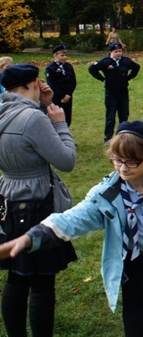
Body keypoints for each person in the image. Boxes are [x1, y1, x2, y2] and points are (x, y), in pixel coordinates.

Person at [0, 121, 143, 337]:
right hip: (133, 270)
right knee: (137, 326)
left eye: (131, 162)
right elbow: (74, 218)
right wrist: (30, 238)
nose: (123, 168)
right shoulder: (107, 194)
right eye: (117, 160)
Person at [0, 63, 77, 337]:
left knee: (17, 276)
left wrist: (45, 105)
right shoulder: (32, 119)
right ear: (34, 83)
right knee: (42, 280)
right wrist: (59, 123)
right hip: (36, 203)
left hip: (7, 199)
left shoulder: (4, 113)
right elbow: (66, 160)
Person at [88, 42, 141, 145]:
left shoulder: (125, 61)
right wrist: (102, 79)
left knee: (124, 114)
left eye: (120, 51)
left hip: (123, 91)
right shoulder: (106, 62)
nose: (118, 53)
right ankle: (108, 137)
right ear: (110, 52)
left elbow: (136, 67)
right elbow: (92, 69)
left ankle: (122, 136)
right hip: (111, 92)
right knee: (110, 115)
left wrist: (128, 78)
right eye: (116, 51)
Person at [45, 44, 77, 127]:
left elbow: (73, 82)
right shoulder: (51, 68)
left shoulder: (68, 67)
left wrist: (68, 94)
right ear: (55, 55)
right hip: (57, 98)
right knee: (58, 120)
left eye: (65, 55)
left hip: (68, 97)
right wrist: (62, 96)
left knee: (67, 119)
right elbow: (52, 84)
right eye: (62, 55)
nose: (64, 57)